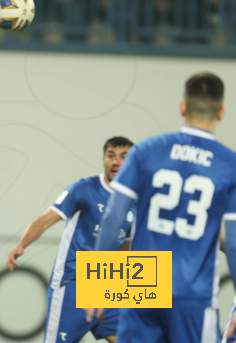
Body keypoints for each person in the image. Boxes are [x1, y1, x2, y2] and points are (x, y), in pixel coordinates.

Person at [93, 72, 236, 343]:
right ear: (222, 113)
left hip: (143, 285)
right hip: (194, 291)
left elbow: (113, 218)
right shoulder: (229, 165)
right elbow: (233, 244)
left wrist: (100, 288)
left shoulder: (147, 151)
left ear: (183, 107)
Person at [6, 136, 135, 343]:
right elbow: (45, 220)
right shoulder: (84, 189)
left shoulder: (133, 201)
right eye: (111, 156)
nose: (116, 162)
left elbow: (125, 245)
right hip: (73, 283)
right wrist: (21, 245)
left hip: (109, 285)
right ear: (103, 159)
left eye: (123, 157)